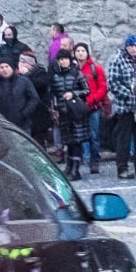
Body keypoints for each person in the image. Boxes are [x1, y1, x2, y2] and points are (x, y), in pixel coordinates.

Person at [106, 35, 136, 178]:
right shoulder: (118, 60)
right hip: (125, 106)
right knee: (124, 139)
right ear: (126, 46)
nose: (134, 49)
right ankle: (122, 168)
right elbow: (113, 83)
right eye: (131, 46)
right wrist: (130, 95)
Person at [49, 49, 88, 181]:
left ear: (69, 60)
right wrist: (54, 109)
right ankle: (69, 165)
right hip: (63, 112)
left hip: (76, 112)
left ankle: (76, 169)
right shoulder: (55, 76)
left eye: (65, 59)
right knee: (68, 141)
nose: (63, 61)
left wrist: (74, 93)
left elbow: (86, 90)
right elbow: (53, 94)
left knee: (77, 141)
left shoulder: (77, 73)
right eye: (60, 59)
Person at [72, 42, 107, 175]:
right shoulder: (72, 69)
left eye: (83, 51)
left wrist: (91, 100)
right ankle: (78, 161)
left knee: (93, 135)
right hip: (77, 108)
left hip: (92, 107)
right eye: (78, 51)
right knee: (78, 135)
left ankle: (94, 161)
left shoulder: (95, 68)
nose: (80, 53)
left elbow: (102, 88)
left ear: (87, 53)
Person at [0, 59, 40, 130]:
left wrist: (24, 113)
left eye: (7, 66)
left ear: (12, 67)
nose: (4, 69)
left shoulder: (24, 81)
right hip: (3, 126)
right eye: (2, 67)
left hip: (23, 125)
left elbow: (34, 98)